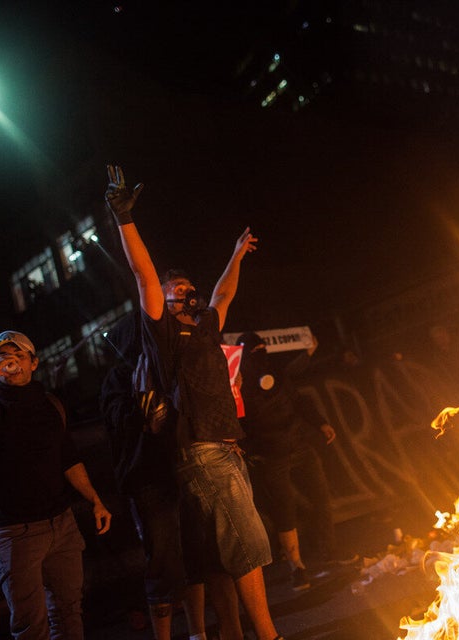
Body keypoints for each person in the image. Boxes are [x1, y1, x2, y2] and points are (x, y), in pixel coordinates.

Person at [104, 165, 284, 640]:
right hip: (201, 448)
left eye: (187, 286)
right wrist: (125, 220)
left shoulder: (204, 325)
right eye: (176, 288)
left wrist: (236, 255)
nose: (185, 290)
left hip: (228, 447)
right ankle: (269, 636)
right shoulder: (163, 331)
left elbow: (223, 291)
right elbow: (143, 273)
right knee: (248, 544)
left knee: (232, 550)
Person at [0, 330, 112, 639]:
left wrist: (95, 499)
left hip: (61, 524)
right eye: (2, 358)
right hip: (13, 533)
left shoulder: (50, 404)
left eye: (19, 356)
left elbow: (69, 459)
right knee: (31, 625)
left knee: (69, 611)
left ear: (34, 363)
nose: (12, 363)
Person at [101, 312, 243, 640]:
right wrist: (143, 405)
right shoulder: (119, 377)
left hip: (187, 467)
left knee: (205, 555)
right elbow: (121, 424)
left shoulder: (168, 364)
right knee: (163, 565)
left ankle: (211, 633)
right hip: (149, 481)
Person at [236, 331, 356, 591]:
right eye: (253, 353)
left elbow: (298, 400)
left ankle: (329, 550)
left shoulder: (278, 374)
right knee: (285, 511)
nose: (259, 358)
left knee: (320, 495)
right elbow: (239, 422)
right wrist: (249, 450)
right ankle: (297, 568)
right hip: (271, 456)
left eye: (261, 351)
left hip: (299, 446)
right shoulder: (239, 386)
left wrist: (321, 423)